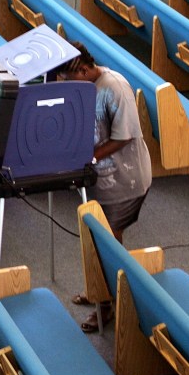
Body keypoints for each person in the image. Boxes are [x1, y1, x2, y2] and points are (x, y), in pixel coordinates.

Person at [59, 42, 152, 332]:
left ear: (85, 70)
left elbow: (124, 137)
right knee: (97, 236)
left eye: (71, 79)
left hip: (126, 179)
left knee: (107, 242)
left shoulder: (115, 88)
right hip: (100, 178)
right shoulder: (86, 83)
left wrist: (89, 156)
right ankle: (100, 289)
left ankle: (106, 305)